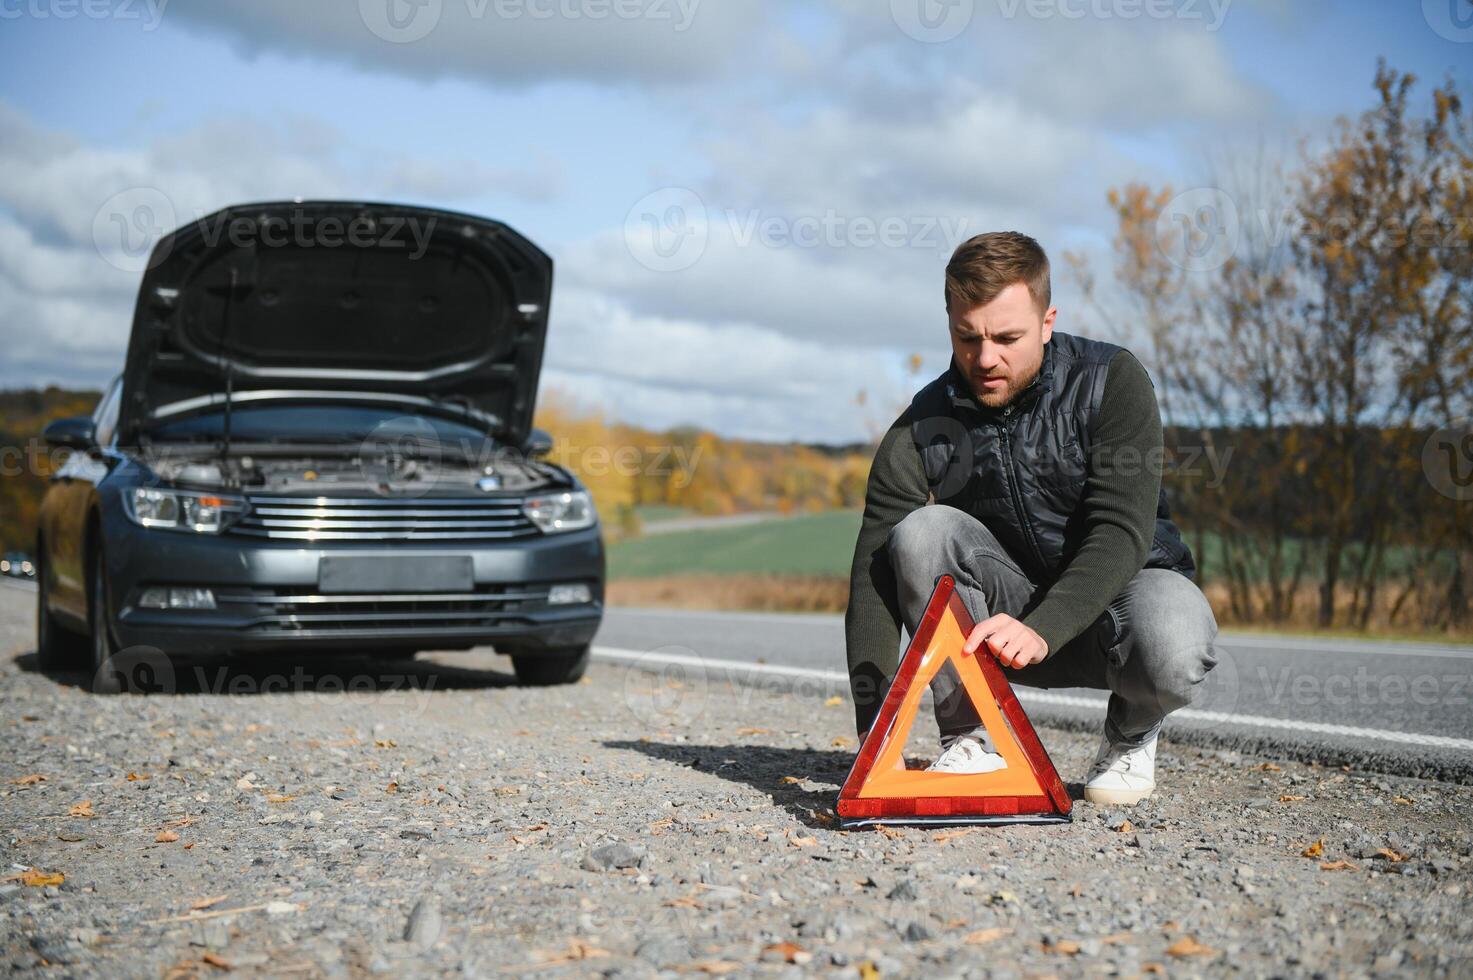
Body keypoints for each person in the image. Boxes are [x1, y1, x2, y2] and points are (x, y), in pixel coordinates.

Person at [843, 231, 1219, 805]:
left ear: (1047, 321)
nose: (984, 357)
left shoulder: (1111, 381)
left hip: (1114, 608)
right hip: (997, 624)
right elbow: (872, 568)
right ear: (949, 321)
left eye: (1007, 337)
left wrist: (1044, 628)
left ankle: (1132, 730)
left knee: (1177, 640)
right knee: (918, 533)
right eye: (967, 336)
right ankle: (970, 738)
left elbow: (1121, 530)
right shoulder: (925, 420)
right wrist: (875, 729)